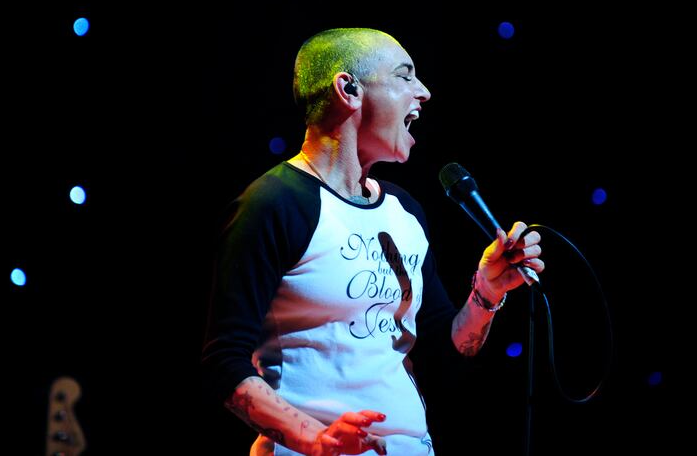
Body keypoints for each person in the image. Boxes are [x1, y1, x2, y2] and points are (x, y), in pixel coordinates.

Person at [201, 27, 544, 455]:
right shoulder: (274, 204)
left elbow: (444, 351)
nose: (424, 92)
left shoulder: (404, 212)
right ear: (349, 89)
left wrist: (488, 291)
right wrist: (312, 435)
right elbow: (223, 363)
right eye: (405, 76)